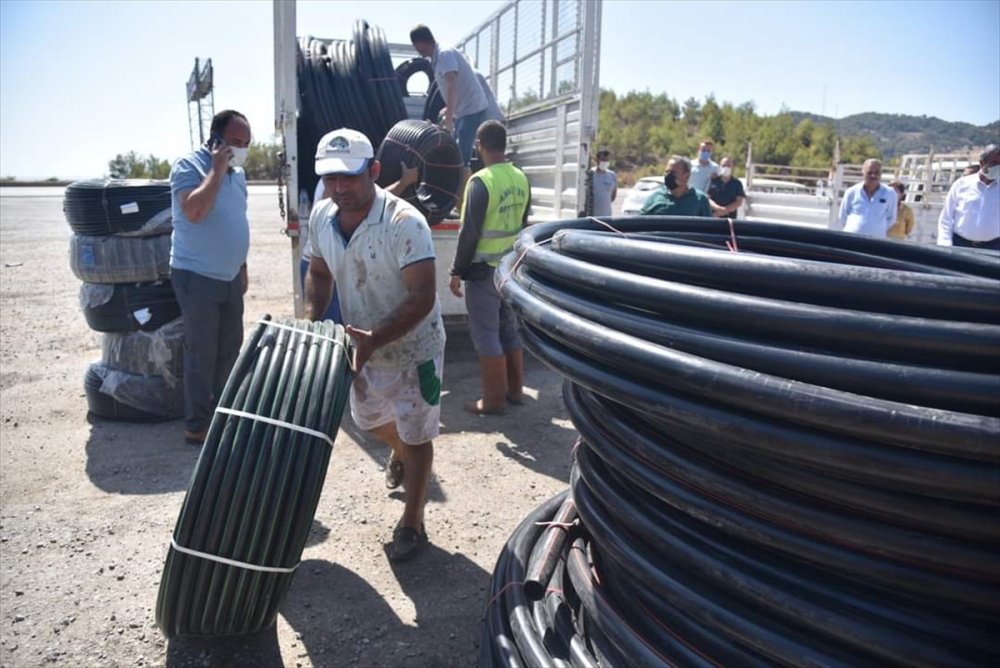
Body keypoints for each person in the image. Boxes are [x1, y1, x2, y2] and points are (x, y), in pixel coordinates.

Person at [305, 128, 446, 561]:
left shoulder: (405, 223)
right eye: (330, 178)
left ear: (374, 170)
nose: (339, 188)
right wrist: (315, 320)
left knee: (418, 434)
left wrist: (376, 338)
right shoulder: (321, 217)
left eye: (349, 177)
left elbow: (423, 295)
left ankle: (412, 523)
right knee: (367, 422)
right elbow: (321, 273)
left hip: (414, 348)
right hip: (361, 346)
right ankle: (400, 451)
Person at [169, 109, 251, 446]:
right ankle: (197, 425)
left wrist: (242, 267)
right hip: (196, 275)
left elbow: (236, 221)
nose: (241, 149)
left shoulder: (238, 174)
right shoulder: (189, 166)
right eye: (235, 142)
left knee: (230, 349)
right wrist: (216, 171)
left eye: (246, 143)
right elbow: (194, 211)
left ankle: (224, 414)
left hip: (230, 277)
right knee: (202, 352)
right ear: (215, 139)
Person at [449, 121, 530, 415]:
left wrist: (456, 271)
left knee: (486, 334)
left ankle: (494, 400)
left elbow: (469, 232)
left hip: (484, 272)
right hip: (510, 271)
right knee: (509, 329)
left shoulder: (481, 181)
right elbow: (523, 223)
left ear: (480, 145)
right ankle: (516, 391)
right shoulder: (520, 178)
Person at [410, 24, 488, 170]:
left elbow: (452, 84)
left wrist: (449, 121)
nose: (416, 50)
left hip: (470, 108)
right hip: (463, 109)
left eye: (416, 46)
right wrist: (448, 109)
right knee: (458, 152)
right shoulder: (436, 58)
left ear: (421, 42)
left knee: (460, 156)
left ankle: (462, 189)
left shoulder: (445, 55)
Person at [937, 144, 1000, 250]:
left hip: (993, 248)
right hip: (960, 245)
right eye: (994, 163)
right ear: (982, 163)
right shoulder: (961, 185)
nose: (998, 167)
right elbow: (946, 218)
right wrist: (945, 245)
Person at [837, 158, 896, 237]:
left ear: (881, 174)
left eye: (877, 172)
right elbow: (843, 217)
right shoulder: (851, 192)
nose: (873, 175)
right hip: (852, 240)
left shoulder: (889, 193)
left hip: (877, 242)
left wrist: (876, 229)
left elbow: (891, 218)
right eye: (869, 172)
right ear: (863, 173)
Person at [640, 155, 712, 217]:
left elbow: (708, 229)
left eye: (673, 173)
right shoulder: (655, 197)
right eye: (667, 172)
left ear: (686, 176)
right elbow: (640, 223)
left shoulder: (700, 199)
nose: (668, 176)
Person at [590, 149, 617, 217]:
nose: (605, 162)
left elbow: (613, 196)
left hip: (607, 216)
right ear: (597, 160)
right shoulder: (590, 174)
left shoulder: (612, 175)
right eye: (603, 160)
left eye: (607, 160)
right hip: (592, 216)